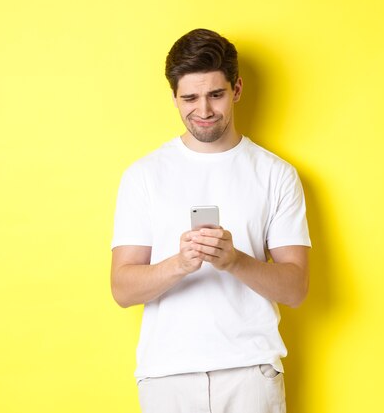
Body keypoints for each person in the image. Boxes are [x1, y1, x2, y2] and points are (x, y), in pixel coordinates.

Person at [110, 28, 311, 413]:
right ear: (174, 97)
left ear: (236, 90)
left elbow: (296, 287)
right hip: (167, 376)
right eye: (189, 97)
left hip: (251, 372)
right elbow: (122, 288)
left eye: (215, 95)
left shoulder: (275, 174)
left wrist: (234, 260)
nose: (203, 111)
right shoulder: (144, 175)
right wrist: (180, 264)